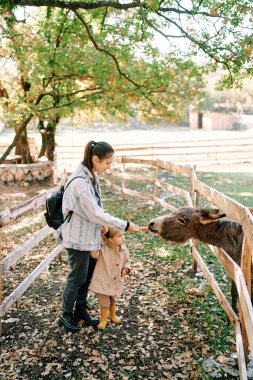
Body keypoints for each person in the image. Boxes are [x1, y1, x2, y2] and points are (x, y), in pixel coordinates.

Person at [56, 140, 139, 333]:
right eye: (107, 163)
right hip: (77, 239)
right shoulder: (80, 183)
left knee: (86, 277)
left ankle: (80, 311)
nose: (109, 167)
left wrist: (102, 226)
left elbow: (96, 210)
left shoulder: (91, 176)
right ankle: (66, 315)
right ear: (95, 159)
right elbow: (94, 212)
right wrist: (124, 225)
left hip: (89, 237)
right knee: (76, 277)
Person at [89, 229, 130, 330]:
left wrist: (126, 269)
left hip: (115, 280)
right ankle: (103, 319)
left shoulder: (124, 249)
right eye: (119, 236)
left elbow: (127, 261)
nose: (123, 238)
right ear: (110, 240)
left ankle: (113, 315)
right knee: (104, 302)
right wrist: (101, 237)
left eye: (122, 235)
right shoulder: (103, 249)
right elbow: (94, 254)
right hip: (102, 280)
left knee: (113, 299)